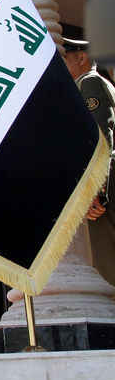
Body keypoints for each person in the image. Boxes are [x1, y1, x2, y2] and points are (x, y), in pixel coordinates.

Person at [62, 38, 115, 285]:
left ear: (81, 58)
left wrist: (96, 190)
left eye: (63, 60)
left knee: (107, 267)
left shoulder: (90, 83)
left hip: (103, 195)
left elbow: (101, 138)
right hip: (98, 192)